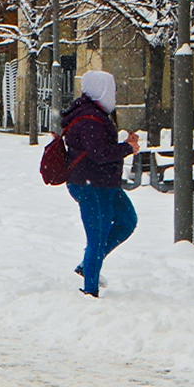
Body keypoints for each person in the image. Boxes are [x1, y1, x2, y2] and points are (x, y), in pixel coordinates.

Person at [61, 70, 140, 298]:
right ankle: (90, 291)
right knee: (97, 235)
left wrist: (124, 145)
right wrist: (128, 149)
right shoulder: (89, 119)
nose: (114, 94)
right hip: (92, 185)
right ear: (101, 90)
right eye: (112, 89)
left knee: (127, 221)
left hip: (104, 182)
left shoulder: (94, 114)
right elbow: (100, 153)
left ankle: (88, 266)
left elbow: (99, 150)